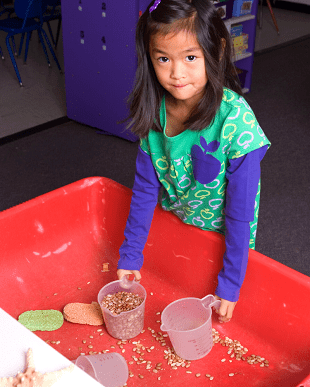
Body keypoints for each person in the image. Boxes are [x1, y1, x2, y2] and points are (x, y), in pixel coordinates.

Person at [116, 0, 270, 323]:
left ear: (216, 51)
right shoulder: (155, 114)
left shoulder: (237, 124)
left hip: (224, 246)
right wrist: (131, 254)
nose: (176, 73)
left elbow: (241, 217)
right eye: (163, 58)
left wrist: (230, 284)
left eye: (190, 57)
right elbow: (145, 190)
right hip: (180, 233)